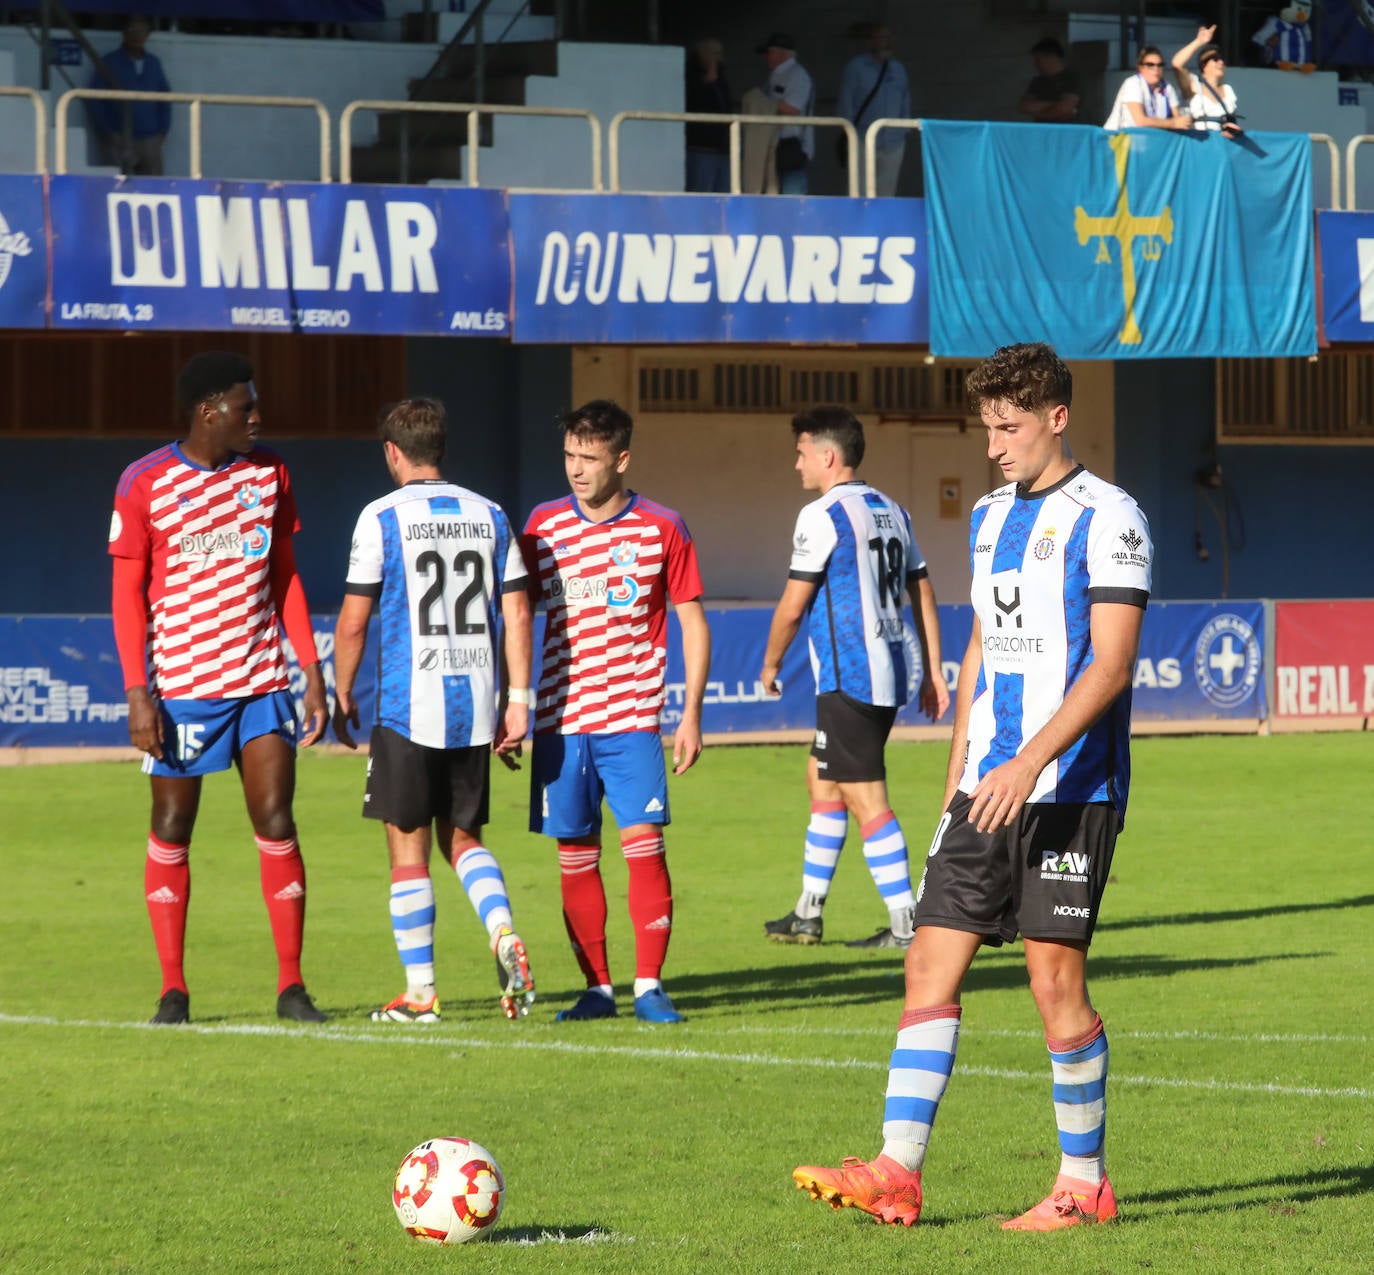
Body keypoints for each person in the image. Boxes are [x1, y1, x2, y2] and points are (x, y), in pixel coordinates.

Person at [793, 342, 1152, 1231]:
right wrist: (959, 772)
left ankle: (1083, 1183)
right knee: (928, 960)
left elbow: (1111, 665)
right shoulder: (990, 517)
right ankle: (897, 1171)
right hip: (986, 786)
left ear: (1056, 419)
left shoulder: (1112, 518)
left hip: (1070, 789)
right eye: (986, 425)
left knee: (1052, 982)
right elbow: (984, 648)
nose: (993, 445)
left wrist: (1027, 761)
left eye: (1010, 426)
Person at [108, 351, 329, 1026]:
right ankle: (173, 990)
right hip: (182, 688)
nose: (257, 416)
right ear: (209, 410)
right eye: (246, 405)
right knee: (173, 825)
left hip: (262, 681)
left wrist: (310, 669)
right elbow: (126, 593)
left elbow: (285, 576)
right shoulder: (144, 481)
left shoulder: (270, 474)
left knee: (277, 818)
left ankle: (292, 986)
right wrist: (138, 690)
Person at [331, 398, 537, 1024]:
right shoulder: (492, 514)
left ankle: (420, 994)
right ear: (441, 448)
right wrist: (518, 701)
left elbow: (354, 622)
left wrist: (341, 693)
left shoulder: (380, 517)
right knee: (465, 838)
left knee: (407, 848)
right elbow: (519, 613)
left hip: (407, 707)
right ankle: (502, 929)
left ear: (393, 453)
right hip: (476, 705)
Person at [520, 400, 711, 1025]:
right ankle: (597, 988)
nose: (576, 469)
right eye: (570, 456)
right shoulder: (541, 525)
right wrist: (513, 704)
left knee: (644, 848)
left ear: (620, 459)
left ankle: (650, 985)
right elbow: (517, 617)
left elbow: (690, 620)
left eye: (590, 458)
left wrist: (691, 716)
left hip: (631, 719)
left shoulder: (662, 526)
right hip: (558, 722)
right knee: (575, 855)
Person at [760, 407, 949, 951]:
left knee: (867, 798)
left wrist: (771, 663)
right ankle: (808, 912)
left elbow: (793, 607)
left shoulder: (821, 515)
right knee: (823, 782)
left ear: (827, 456)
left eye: (801, 454)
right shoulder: (893, 510)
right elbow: (924, 591)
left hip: (851, 681)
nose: (797, 465)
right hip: (885, 672)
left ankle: (905, 923)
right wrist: (932, 670)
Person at [87, 14, 173, 175]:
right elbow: (95, 98)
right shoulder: (110, 61)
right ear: (124, 33)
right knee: (119, 187)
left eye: (142, 31)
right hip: (119, 138)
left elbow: (165, 98)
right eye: (132, 30)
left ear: (148, 35)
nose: (137, 35)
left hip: (150, 139)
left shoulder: (153, 63)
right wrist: (107, 132)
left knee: (153, 189)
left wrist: (163, 131)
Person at [836, 23, 912, 197]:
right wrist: (851, 135)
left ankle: (882, 225)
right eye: (878, 38)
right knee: (861, 193)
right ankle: (861, 225)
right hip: (863, 140)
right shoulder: (856, 67)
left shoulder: (898, 69)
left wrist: (903, 130)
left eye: (886, 38)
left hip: (893, 143)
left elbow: (905, 101)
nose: (883, 42)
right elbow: (846, 104)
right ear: (870, 41)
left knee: (887, 194)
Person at [758, 32, 815, 195]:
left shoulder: (797, 75)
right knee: (773, 197)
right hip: (775, 144)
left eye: (769, 53)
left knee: (792, 199)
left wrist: (763, 103)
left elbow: (793, 108)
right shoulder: (776, 74)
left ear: (780, 53)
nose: (767, 57)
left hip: (792, 146)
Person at [1172, 26, 1243, 136]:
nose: (1221, 62)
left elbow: (1231, 121)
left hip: (1220, 143)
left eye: (1222, 59)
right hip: (1198, 142)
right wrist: (1199, 42)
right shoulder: (1194, 85)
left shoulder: (1227, 90)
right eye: (1215, 59)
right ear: (1204, 65)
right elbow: (1177, 63)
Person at [685, 37, 733, 193]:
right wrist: (711, 70)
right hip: (701, 147)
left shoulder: (722, 78)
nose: (719, 57)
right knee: (702, 192)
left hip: (723, 147)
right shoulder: (691, 74)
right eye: (715, 53)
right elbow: (695, 96)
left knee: (724, 192)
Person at [1103, 45, 1191, 130]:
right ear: (1141, 68)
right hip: (1121, 140)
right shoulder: (1133, 84)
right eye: (1150, 65)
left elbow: (1178, 118)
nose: (1156, 69)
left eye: (1160, 65)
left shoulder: (1168, 87)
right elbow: (1141, 121)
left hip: (1150, 139)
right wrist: (1173, 123)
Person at [1018, 37, 1082, 123]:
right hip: (1042, 132)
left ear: (1051, 57)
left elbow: (1065, 107)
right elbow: (1024, 107)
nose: (1035, 64)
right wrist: (1055, 105)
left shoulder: (1072, 78)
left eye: (1038, 59)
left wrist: (1039, 112)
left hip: (1067, 132)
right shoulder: (1037, 81)